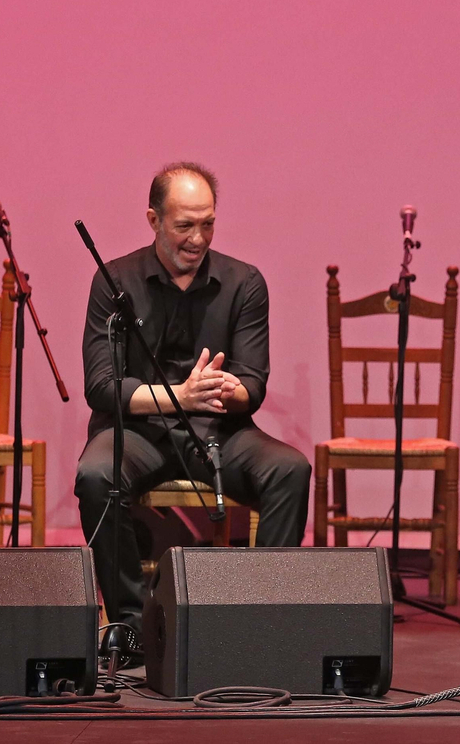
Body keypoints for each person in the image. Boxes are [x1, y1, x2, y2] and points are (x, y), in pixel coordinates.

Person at [75, 162, 310, 663]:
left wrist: (229, 390)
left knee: (289, 469)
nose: (197, 237)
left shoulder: (244, 282)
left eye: (208, 223)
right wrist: (180, 396)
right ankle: (135, 627)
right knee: (96, 474)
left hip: (218, 426)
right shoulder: (114, 281)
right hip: (138, 431)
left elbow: (253, 383)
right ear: (154, 219)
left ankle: (259, 621)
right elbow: (102, 387)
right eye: (185, 224)